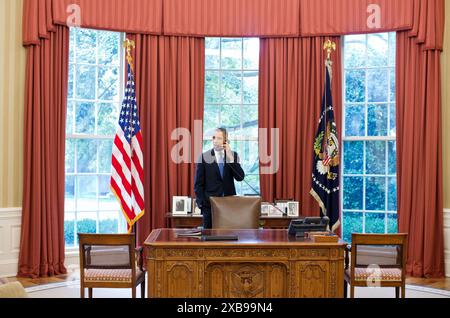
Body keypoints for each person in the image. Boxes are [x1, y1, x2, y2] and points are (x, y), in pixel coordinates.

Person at [194, 128, 245, 229]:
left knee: (229, 237)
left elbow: (240, 177)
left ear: (225, 141)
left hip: (228, 205)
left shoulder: (233, 155)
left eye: (219, 138)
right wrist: (202, 205)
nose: (215, 141)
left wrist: (230, 158)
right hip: (210, 206)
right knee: (209, 239)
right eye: (214, 138)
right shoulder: (204, 157)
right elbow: (198, 184)